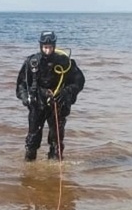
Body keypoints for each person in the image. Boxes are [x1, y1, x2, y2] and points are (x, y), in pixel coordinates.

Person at [15, 31, 85, 161]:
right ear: (41, 46)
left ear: (54, 46)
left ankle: (53, 170)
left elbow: (79, 81)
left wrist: (66, 92)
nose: (48, 51)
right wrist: (26, 99)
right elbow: (21, 85)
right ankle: (29, 170)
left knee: (56, 142)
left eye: (50, 47)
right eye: (45, 47)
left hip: (58, 104)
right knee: (32, 141)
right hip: (37, 104)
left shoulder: (65, 62)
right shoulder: (32, 62)